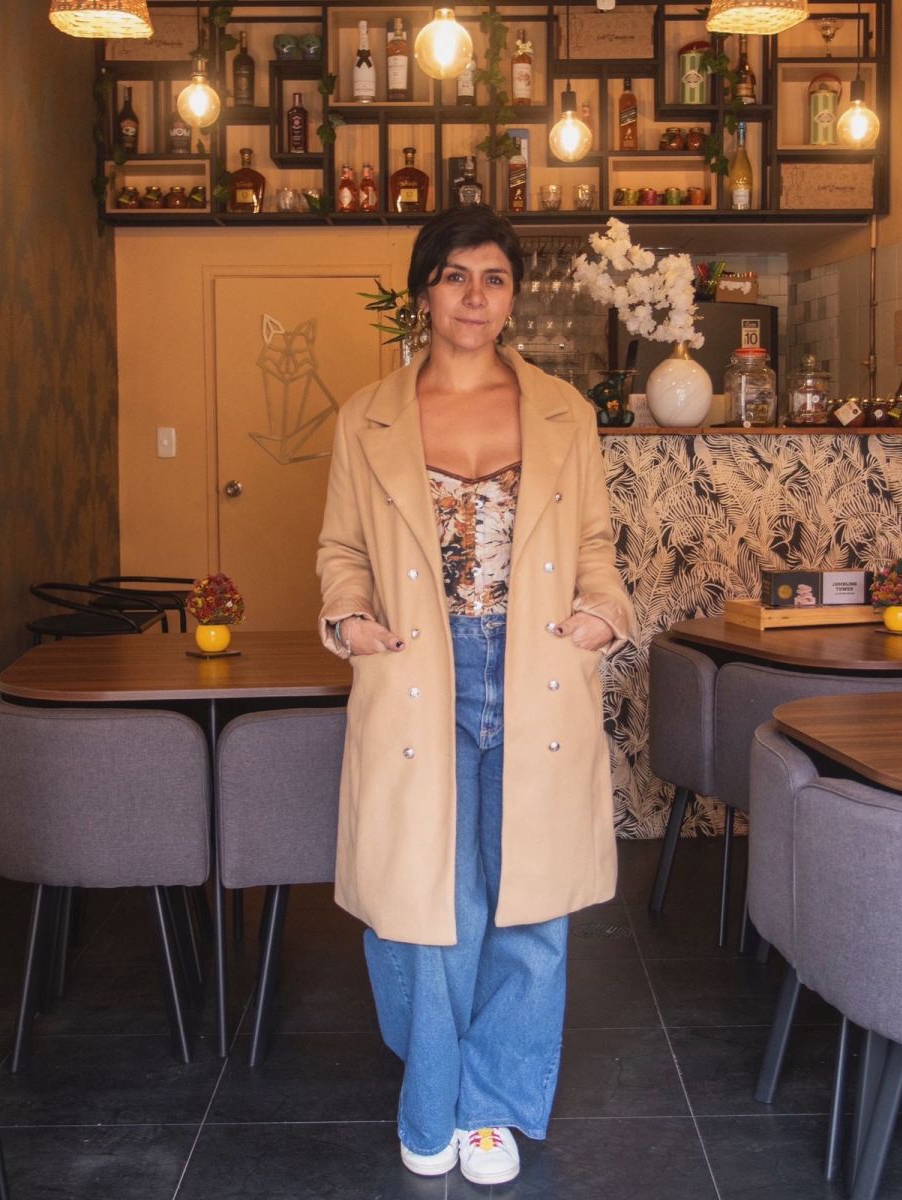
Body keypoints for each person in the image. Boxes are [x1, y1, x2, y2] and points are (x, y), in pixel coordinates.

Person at [316, 205, 634, 1186]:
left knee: (531, 901)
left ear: (513, 297)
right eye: (455, 275)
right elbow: (340, 548)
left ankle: (491, 1105)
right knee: (431, 902)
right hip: (419, 668)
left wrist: (603, 614)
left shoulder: (564, 411)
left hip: (537, 664)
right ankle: (435, 1097)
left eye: (493, 278)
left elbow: (593, 543)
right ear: (425, 291)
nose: (474, 295)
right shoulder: (366, 416)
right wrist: (349, 616)